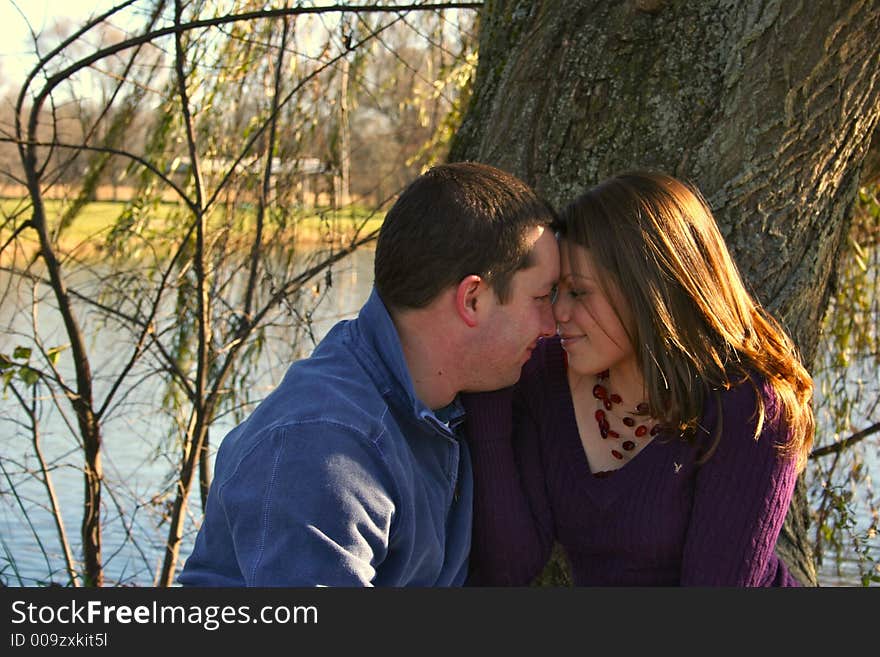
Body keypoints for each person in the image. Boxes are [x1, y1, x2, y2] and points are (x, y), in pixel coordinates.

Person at [178, 162, 560, 586]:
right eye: (542, 297)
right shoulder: (327, 450)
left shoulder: (433, 402)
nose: (553, 326)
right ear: (472, 299)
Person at [462, 170, 815, 586]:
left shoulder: (749, 408)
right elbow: (511, 564)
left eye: (579, 292)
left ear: (649, 291)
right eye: (556, 291)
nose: (557, 313)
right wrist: (487, 385)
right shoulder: (545, 375)